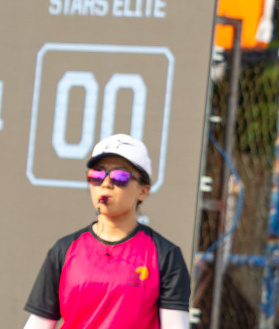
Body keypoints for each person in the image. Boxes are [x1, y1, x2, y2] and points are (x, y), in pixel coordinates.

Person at [22, 134, 191, 329]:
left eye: (120, 177)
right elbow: (39, 323)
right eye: (97, 176)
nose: (106, 184)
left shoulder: (165, 256)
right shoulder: (64, 250)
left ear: (143, 191)